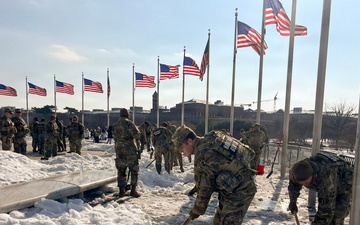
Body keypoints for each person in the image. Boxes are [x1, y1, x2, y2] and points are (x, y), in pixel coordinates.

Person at [172, 124, 257, 224]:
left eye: (181, 147)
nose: (181, 151)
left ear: (190, 141)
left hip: (241, 191)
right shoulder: (213, 137)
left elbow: (205, 189)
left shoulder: (203, 155)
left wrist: (197, 210)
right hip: (232, 187)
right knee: (218, 221)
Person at [288, 151, 353, 225]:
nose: (305, 185)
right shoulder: (297, 172)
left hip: (345, 177)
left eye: (306, 182)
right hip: (329, 170)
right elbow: (293, 187)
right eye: (302, 183)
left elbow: (326, 210)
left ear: (312, 174)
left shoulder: (325, 178)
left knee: (339, 210)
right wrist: (293, 202)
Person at [113, 108, 141, 198]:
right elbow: (136, 134)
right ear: (127, 115)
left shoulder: (115, 124)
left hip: (119, 150)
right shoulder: (129, 123)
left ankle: (122, 191)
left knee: (121, 171)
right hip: (129, 150)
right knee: (134, 170)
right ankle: (133, 190)